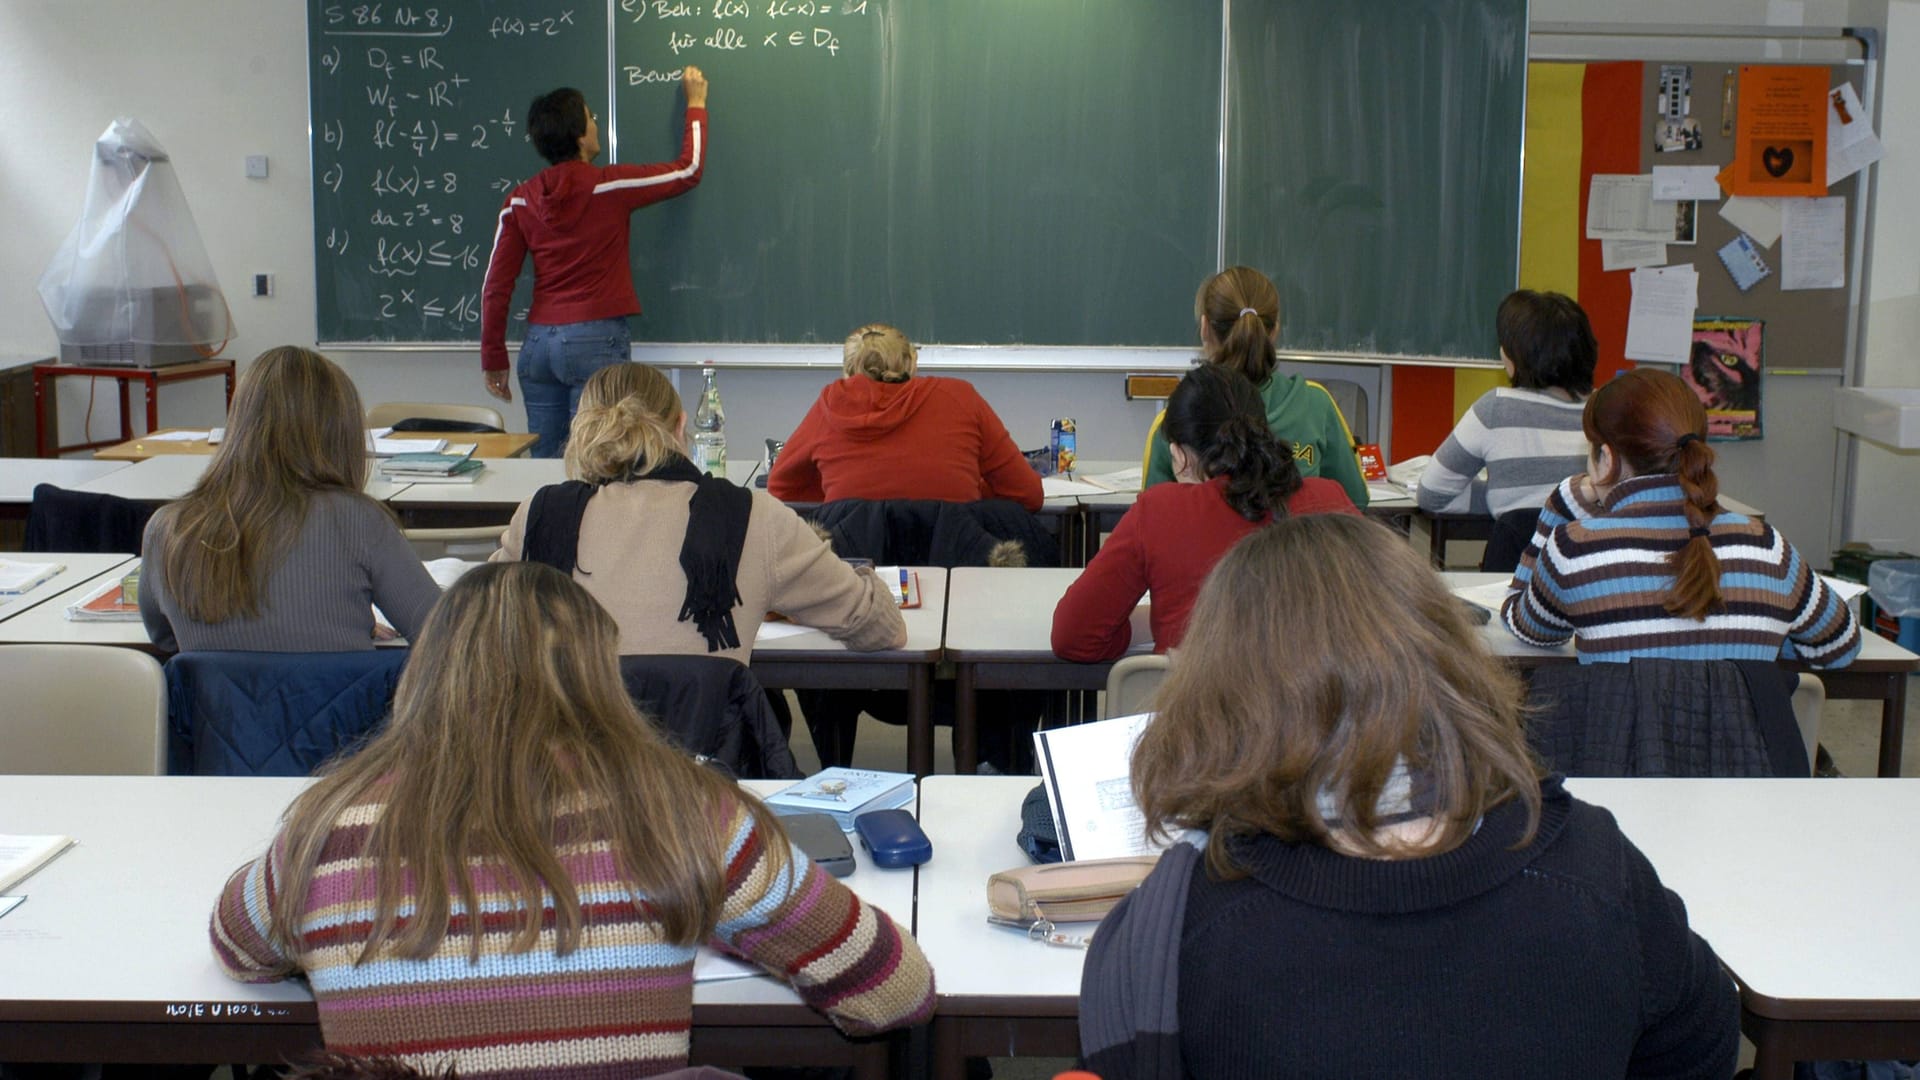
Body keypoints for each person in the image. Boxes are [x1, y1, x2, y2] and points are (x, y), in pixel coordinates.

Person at [1080, 514, 1740, 1078]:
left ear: (1218, 693)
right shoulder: (1596, 872)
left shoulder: (1177, 932)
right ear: (1446, 654)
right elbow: (1703, 1047)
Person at [210, 562, 935, 1074]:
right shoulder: (683, 812)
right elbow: (896, 992)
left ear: (427, 669)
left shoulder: (327, 824)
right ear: (600, 670)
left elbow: (239, 949)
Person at [493, 362, 905, 663]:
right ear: (681, 427)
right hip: (702, 772)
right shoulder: (752, 517)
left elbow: (476, 638)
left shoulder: (539, 517)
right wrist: (852, 569)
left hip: (560, 773)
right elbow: (883, 628)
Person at [1503, 367, 1860, 667]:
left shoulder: (1575, 550)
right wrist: (1766, 638)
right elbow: (1840, 647)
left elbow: (1527, 628)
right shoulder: (1766, 546)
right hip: (1741, 751)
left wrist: (1559, 505)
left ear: (1606, 460)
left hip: (1621, 751)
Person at [139, 346, 439, 652]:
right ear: (340, 438)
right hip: (339, 698)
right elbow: (441, 635)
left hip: (215, 701)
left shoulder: (166, 529)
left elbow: (165, 639)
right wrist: (337, 628)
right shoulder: (360, 521)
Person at [1052, 365, 1357, 661]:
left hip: (1198, 708)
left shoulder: (1159, 512)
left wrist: (1149, 628)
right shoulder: (1329, 499)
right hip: (1308, 707)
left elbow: (1073, 636)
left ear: (1178, 456)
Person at [479, 70, 709, 459]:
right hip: (594, 339)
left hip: (538, 346)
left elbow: (495, 286)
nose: (596, 124)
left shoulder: (519, 201)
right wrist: (697, 105)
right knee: (598, 463)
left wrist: (493, 357)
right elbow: (687, 170)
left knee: (546, 471)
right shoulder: (609, 186)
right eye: (591, 118)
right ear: (580, 137)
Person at [1141, 266, 1368, 507]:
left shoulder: (1175, 421)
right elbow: (1356, 501)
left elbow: (1151, 516)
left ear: (1205, 328)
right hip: (1298, 544)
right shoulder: (1317, 405)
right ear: (1274, 331)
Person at [767, 323, 1043, 511]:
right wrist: (972, 493)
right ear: (912, 362)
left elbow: (781, 487)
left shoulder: (828, 407)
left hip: (859, 573)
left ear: (847, 369)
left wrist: (844, 501)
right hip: (955, 568)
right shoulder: (960, 397)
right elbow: (1028, 495)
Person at [1416, 289, 1597, 519]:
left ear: (1519, 355)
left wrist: (1502, 499)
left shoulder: (1496, 409)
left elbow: (1432, 494)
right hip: (1594, 553)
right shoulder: (1610, 409)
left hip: (1519, 555)